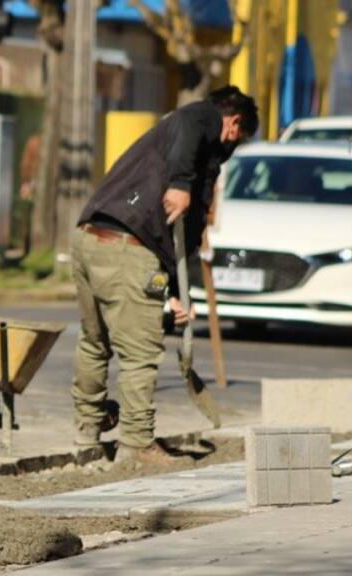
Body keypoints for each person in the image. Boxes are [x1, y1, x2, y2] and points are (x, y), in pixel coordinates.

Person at [71, 86, 258, 465]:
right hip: (129, 246)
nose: (231, 147)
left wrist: (171, 291)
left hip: (88, 238)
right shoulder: (201, 119)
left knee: (94, 343)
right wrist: (181, 184)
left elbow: (177, 238)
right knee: (140, 352)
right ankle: (137, 444)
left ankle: (86, 434)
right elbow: (194, 120)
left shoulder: (165, 142)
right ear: (234, 122)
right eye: (238, 138)